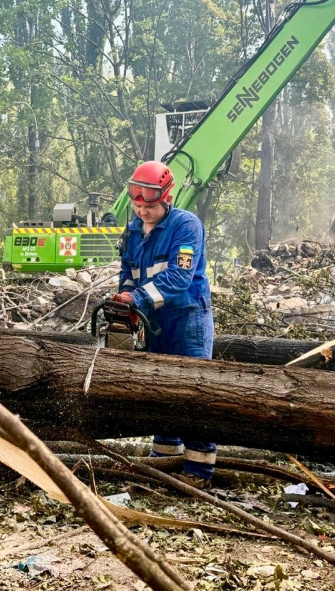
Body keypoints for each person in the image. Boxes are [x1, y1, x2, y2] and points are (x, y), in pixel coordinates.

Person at [113, 160, 215, 489]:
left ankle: (198, 469)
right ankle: (165, 461)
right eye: (137, 202)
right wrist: (124, 299)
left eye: (150, 204)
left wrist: (137, 300)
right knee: (160, 388)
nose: (143, 209)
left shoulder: (186, 226)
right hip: (155, 319)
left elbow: (179, 276)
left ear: (166, 198)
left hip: (187, 318)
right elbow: (128, 274)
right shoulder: (131, 231)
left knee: (193, 390)